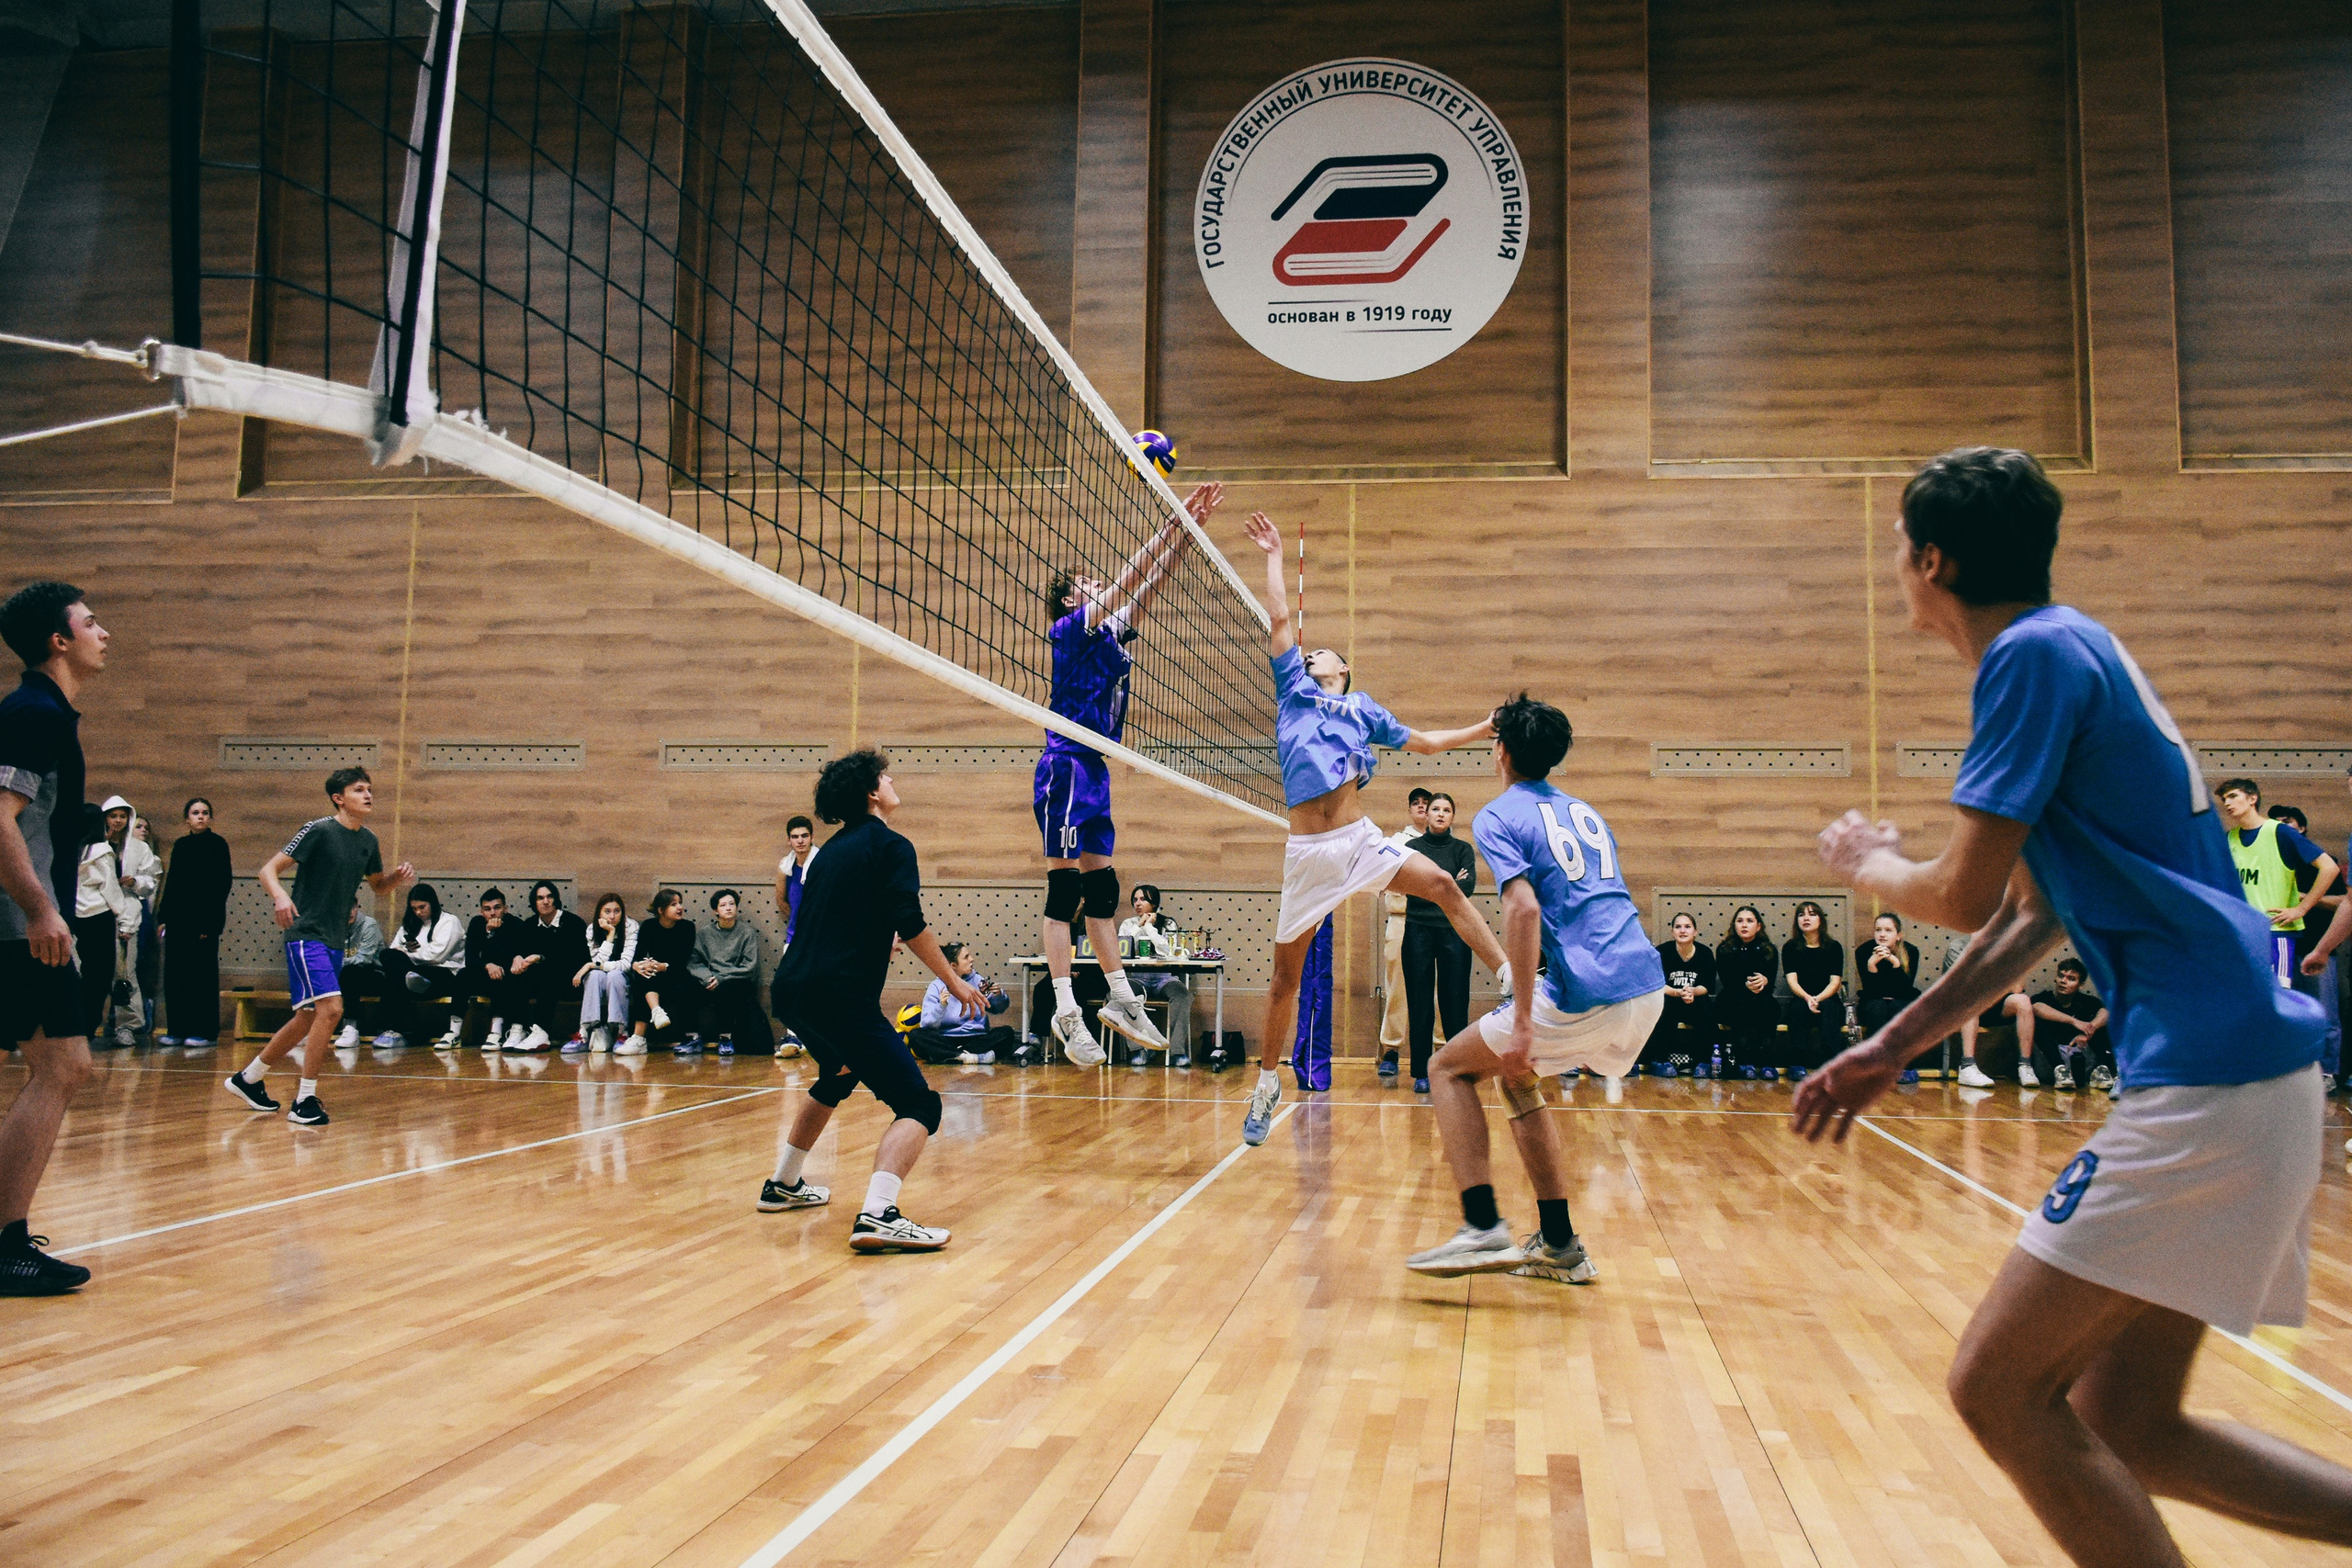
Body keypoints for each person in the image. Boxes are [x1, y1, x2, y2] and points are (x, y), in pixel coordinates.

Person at [1794, 445, 2347, 1568]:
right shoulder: (2074, 643)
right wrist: (1890, 1045)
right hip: (2247, 1073)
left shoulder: (2026, 658)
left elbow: (1959, 895)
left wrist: (1870, 865)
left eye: (1899, 547)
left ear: (1931, 562)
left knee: (1997, 1389)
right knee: (2130, 1425)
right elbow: (2030, 916)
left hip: (2208, 1079)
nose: (1895, 566)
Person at [1238, 510, 1508, 1145]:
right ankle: (1267, 1082)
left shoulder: (1362, 709)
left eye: (1321, 652)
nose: (1310, 652)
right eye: (1307, 652)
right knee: (1284, 980)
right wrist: (1273, 555)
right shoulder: (1292, 689)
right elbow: (1279, 620)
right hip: (1308, 854)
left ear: (1343, 667)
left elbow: (1427, 743)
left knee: (1443, 884)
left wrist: (1482, 727)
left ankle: (1511, 979)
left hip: (1359, 842)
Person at [1405, 694, 1664, 1284]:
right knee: (1517, 1078)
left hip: (1588, 991)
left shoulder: (1499, 815)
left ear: (1499, 751)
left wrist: (1522, 1018)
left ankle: (1481, 1226)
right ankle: (1560, 1245)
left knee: (1447, 1068)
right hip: (1645, 985)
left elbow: (1523, 910)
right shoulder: (1586, 811)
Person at [758, 747, 986, 1252]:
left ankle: (784, 1183)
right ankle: (879, 1214)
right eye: (886, 777)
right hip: (839, 997)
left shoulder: (828, 853)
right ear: (871, 793)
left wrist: (876, 939)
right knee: (919, 1104)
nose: (893, 782)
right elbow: (911, 920)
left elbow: (828, 920)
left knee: (838, 1074)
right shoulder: (892, 846)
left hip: (792, 989)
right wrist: (952, 980)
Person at [1034, 480, 1223, 1066]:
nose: (1097, 586)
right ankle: (1066, 1009)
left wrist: (1186, 537)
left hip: (1094, 767)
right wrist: (1168, 526)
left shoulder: (1108, 635)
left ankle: (1119, 997)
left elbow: (1147, 588)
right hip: (1065, 764)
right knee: (1065, 891)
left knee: (1104, 891)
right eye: (1086, 584)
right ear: (1070, 601)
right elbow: (1126, 582)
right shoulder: (1070, 629)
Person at [0, 581, 105, 1294]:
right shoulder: (35, 714)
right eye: (91, 623)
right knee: (64, 1066)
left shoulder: (41, 712)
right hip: (19, 926)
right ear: (58, 641)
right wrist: (40, 910)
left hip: (21, 922)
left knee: (59, 1065)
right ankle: (6, 1242)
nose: (105, 632)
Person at [223, 766, 415, 1126]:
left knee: (308, 1016)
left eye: (369, 789)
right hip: (305, 934)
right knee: (331, 1010)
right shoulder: (319, 830)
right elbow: (268, 870)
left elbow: (378, 886)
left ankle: (248, 1079)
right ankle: (304, 1100)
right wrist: (281, 897)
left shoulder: (368, 841)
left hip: (334, 941)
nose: (368, 794)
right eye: (359, 789)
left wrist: (395, 879)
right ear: (339, 798)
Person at [1400, 792, 1477, 1092]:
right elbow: (1408, 886)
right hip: (1417, 930)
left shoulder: (1462, 849)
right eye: (1435, 809)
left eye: (1447, 809)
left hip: (1455, 931)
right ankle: (1422, 1072)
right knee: (1419, 1002)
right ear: (1427, 814)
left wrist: (1432, 886)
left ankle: (1456, 1070)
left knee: (1454, 1001)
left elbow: (1467, 888)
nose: (1441, 814)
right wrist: (1448, 883)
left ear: (1452, 816)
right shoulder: (1412, 849)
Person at [2268, 801, 2342, 1091]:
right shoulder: (2272, 860)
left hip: (2317, 947)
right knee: (2284, 1012)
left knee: (2325, 1013)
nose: (2282, 827)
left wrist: (2306, 899)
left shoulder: (2325, 862)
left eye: (2288, 821)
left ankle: (2327, 1072)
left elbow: (2344, 902)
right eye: (2277, 822)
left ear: (2302, 828)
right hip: (2280, 946)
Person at [157, 797, 230, 1047]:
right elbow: (173, 883)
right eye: (195, 813)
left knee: (201, 977)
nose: (200, 816)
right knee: (176, 976)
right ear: (187, 819)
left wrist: (210, 924)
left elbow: (221, 886)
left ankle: (205, 1031)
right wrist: (163, 918)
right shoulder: (181, 845)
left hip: (203, 923)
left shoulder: (217, 845)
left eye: (205, 812)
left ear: (210, 818)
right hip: (178, 921)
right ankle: (177, 1029)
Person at [1376, 788, 1435, 1075]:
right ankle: (1391, 1050)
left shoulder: (1445, 843)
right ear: (1410, 810)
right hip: (1402, 920)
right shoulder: (1397, 842)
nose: (1422, 807)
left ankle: (1440, 1050)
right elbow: (1384, 876)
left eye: (1427, 803)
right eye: (1416, 803)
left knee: (1437, 990)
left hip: (1436, 922)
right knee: (1397, 988)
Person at [100, 798, 160, 1047]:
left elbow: (150, 881)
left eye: (122, 816)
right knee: (91, 971)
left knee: (124, 972)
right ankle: (86, 1023)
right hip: (95, 912)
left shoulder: (139, 848)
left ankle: (127, 1025)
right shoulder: (93, 844)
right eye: (113, 816)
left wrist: (135, 882)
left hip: (127, 912)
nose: (117, 821)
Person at [71, 796, 130, 1042]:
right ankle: (88, 1027)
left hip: (73, 916)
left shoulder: (70, 849)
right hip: (98, 916)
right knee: (100, 976)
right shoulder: (102, 850)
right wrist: (124, 920)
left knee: (80, 973)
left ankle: (75, 1027)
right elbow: (110, 889)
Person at [504, 881, 588, 1052]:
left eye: (549, 897)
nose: (546, 901)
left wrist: (541, 958)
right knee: (516, 974)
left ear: (556, 899)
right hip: (541, 982)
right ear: (534, 903)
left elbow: (574, 960)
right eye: (540, 898)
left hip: (572, 981)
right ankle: (518, 1027)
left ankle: (541, 1031)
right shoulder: (530, 925)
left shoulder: (573, 923)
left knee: (547, 973)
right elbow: (520, 949)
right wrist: (517, 958)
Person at [1116, 885, 1193, 1066]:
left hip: (1164, 977)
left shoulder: (1168, 923)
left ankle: (1177, 1051)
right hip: (1137, 976)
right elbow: (1123, 948)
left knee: (1183, 995)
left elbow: (1166, 950)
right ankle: (1139, 1049)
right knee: (1122, 995)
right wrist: (1139, 926)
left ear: (1154, 902)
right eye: (1135, 900)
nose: (1138, 903)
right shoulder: (1128, 924)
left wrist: (1150, 927)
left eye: (1143, 899)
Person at [690, 889, 770, 1055]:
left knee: (724, 990)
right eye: (723, 905)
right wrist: (708, 977)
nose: (728, 908)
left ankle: (725, 1038)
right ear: (715, 910)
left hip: (738, 980)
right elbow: (694, 962)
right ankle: (691, 1037)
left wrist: (721, 978)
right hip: (711, 979)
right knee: (685, 988)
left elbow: (750, 967)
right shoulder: (705, 933)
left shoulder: (746, 932)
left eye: (732, 904)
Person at [383, 883, 463, 1047]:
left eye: (422, 907)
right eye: (414, 908)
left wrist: (407, 954)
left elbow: (436, 956)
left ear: (432, 903)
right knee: (386, 955)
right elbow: (394, 950)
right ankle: (410, 980)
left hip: (444, 973)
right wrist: (405, 953)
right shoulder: (410, 923)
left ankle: (396, 1029)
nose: (418, 912)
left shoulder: (449, 921)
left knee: (395, 980)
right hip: (415, 971)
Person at [910, 942, 1015, 1064]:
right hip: (947, 1038)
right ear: (953, 965)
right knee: (916, 1035)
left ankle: (954, 1055)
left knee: (1007, 1033)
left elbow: (998, 1009)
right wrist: (941, 1007)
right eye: (966, 957)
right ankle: (970, 1056)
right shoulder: (936, 986)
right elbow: (926, 1024)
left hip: (977, 1037)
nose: (972, 959)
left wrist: (999, 996)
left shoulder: (978, 980)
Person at [2018, 958, 2112, 1093]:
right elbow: (2036, 1007)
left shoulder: (2086, 1002)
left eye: (2071, 979)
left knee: (2102, 1025)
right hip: (2050, 1062)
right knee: (2036, 1021)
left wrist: (2089, 1030)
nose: (2063, 981)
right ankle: (2060, 1070)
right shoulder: (2044, 998)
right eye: (2061, 976)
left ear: (2081, 985)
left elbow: (2105, 1013)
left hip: (2080, 1061)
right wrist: (2074, 1021)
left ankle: (2103, 1070)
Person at [1778, 901, 1845, 1078]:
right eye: (1801, 915)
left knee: (1830, 1009)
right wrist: (1808, 998)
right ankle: (1797, 1063)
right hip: (1802, 998)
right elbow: (1792, 981)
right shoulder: (1790, 947)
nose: (1806, 918)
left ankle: (1832, 1063)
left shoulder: (1834, 947)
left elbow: (1835, 982)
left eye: (1812, 914)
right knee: (1797, 1011)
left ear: (1821, 920)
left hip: (1828, 998)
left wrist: (1818, 999)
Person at [1644, 912, 1714, 1076]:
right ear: (1672, 932)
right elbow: (1656, 984)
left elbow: (1707, 986)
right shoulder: (1662, 952)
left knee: (1706, 1008)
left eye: (1687, 927)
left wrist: (1693, 991)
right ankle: (1660, 1060)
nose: (1683, 931)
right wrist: (1677, 992)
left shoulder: (1705, 953)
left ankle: (1703, 1062)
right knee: (1664, 1006)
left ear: (1695, 932)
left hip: (1694, 999)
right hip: (1671, 997)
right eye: (1678, 927)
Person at [455, 887, 526, 1049]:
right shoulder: (476, 923)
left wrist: (492, 935)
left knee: (500, 974)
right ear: (482, 912)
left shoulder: (515, 924)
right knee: (463, 974)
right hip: (484, 973)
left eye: (497, 907)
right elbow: (470, 959)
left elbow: (507, 959)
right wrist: (487, 965)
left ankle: (496, 1031)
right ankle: (454, 1031)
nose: (493, 913)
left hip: (507, 978)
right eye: (487, 909)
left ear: (505, 909)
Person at [1855, 913, 1921, 1087]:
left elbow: (1904, 989)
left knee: (1900, 1009)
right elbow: (1872, 991)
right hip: (1873, 1000)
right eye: (1878, 930)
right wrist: (1872, 965)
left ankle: (1906, 1065)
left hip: (1901, 998)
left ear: (1898, 935)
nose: (1882, 934)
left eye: (1888, 930)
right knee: (1878, 1008)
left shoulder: (1911, 951)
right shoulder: (1863, 951)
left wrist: (1895, 962)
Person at [628, 889, 695, 1055]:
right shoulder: (648, 926)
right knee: (643, 976)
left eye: (680, 903)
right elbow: (638, 955)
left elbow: (683, 961)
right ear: (660, 910)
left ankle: (640, 1034)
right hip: (654, 975)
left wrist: (662, 966)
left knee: (650, 979)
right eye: (673, 904)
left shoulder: (687, 927)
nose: (679, 907)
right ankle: (650, 1022)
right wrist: (638, 965)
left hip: (676, 974)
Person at [1713, 905, 1776, 1079]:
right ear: (1734, 925)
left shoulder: (1768, 949)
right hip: (1732, 997)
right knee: (1741, 1004)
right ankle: (1744, 1061)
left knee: (1769, 1006)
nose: (1744, 925)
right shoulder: (1724, 949)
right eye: (1740, 921)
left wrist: (1764, 980)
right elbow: (1727, 981)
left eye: (1749, 921)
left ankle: (1767, 1061)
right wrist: (1745, 985)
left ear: (1758, 926)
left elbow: (1770, 982)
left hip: (1759, 997)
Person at [574, 893, 637, 1054]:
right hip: (601, 976)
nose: (612, 916)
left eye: (617, 911)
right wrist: (610, 935)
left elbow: (625, 965)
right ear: (599, 913)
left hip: (625, 977)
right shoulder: (592, 929)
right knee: (595, 976)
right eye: (607, 911)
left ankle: (621, 1032)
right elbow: (598, 961)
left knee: (614, 975)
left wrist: (591, 965)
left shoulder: (631, 926)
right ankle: (585, 1031)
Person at [333, 897, 388, 1046]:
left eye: (352, 908)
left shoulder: (368, 925)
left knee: (350, 972)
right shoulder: (333, 927)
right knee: (318, 976)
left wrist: (337, 963)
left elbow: (364, 959)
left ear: (357, 907)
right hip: (345, 975)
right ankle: (310, 1027)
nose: (349, 913)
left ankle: (351, 1027)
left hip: (374, 975)